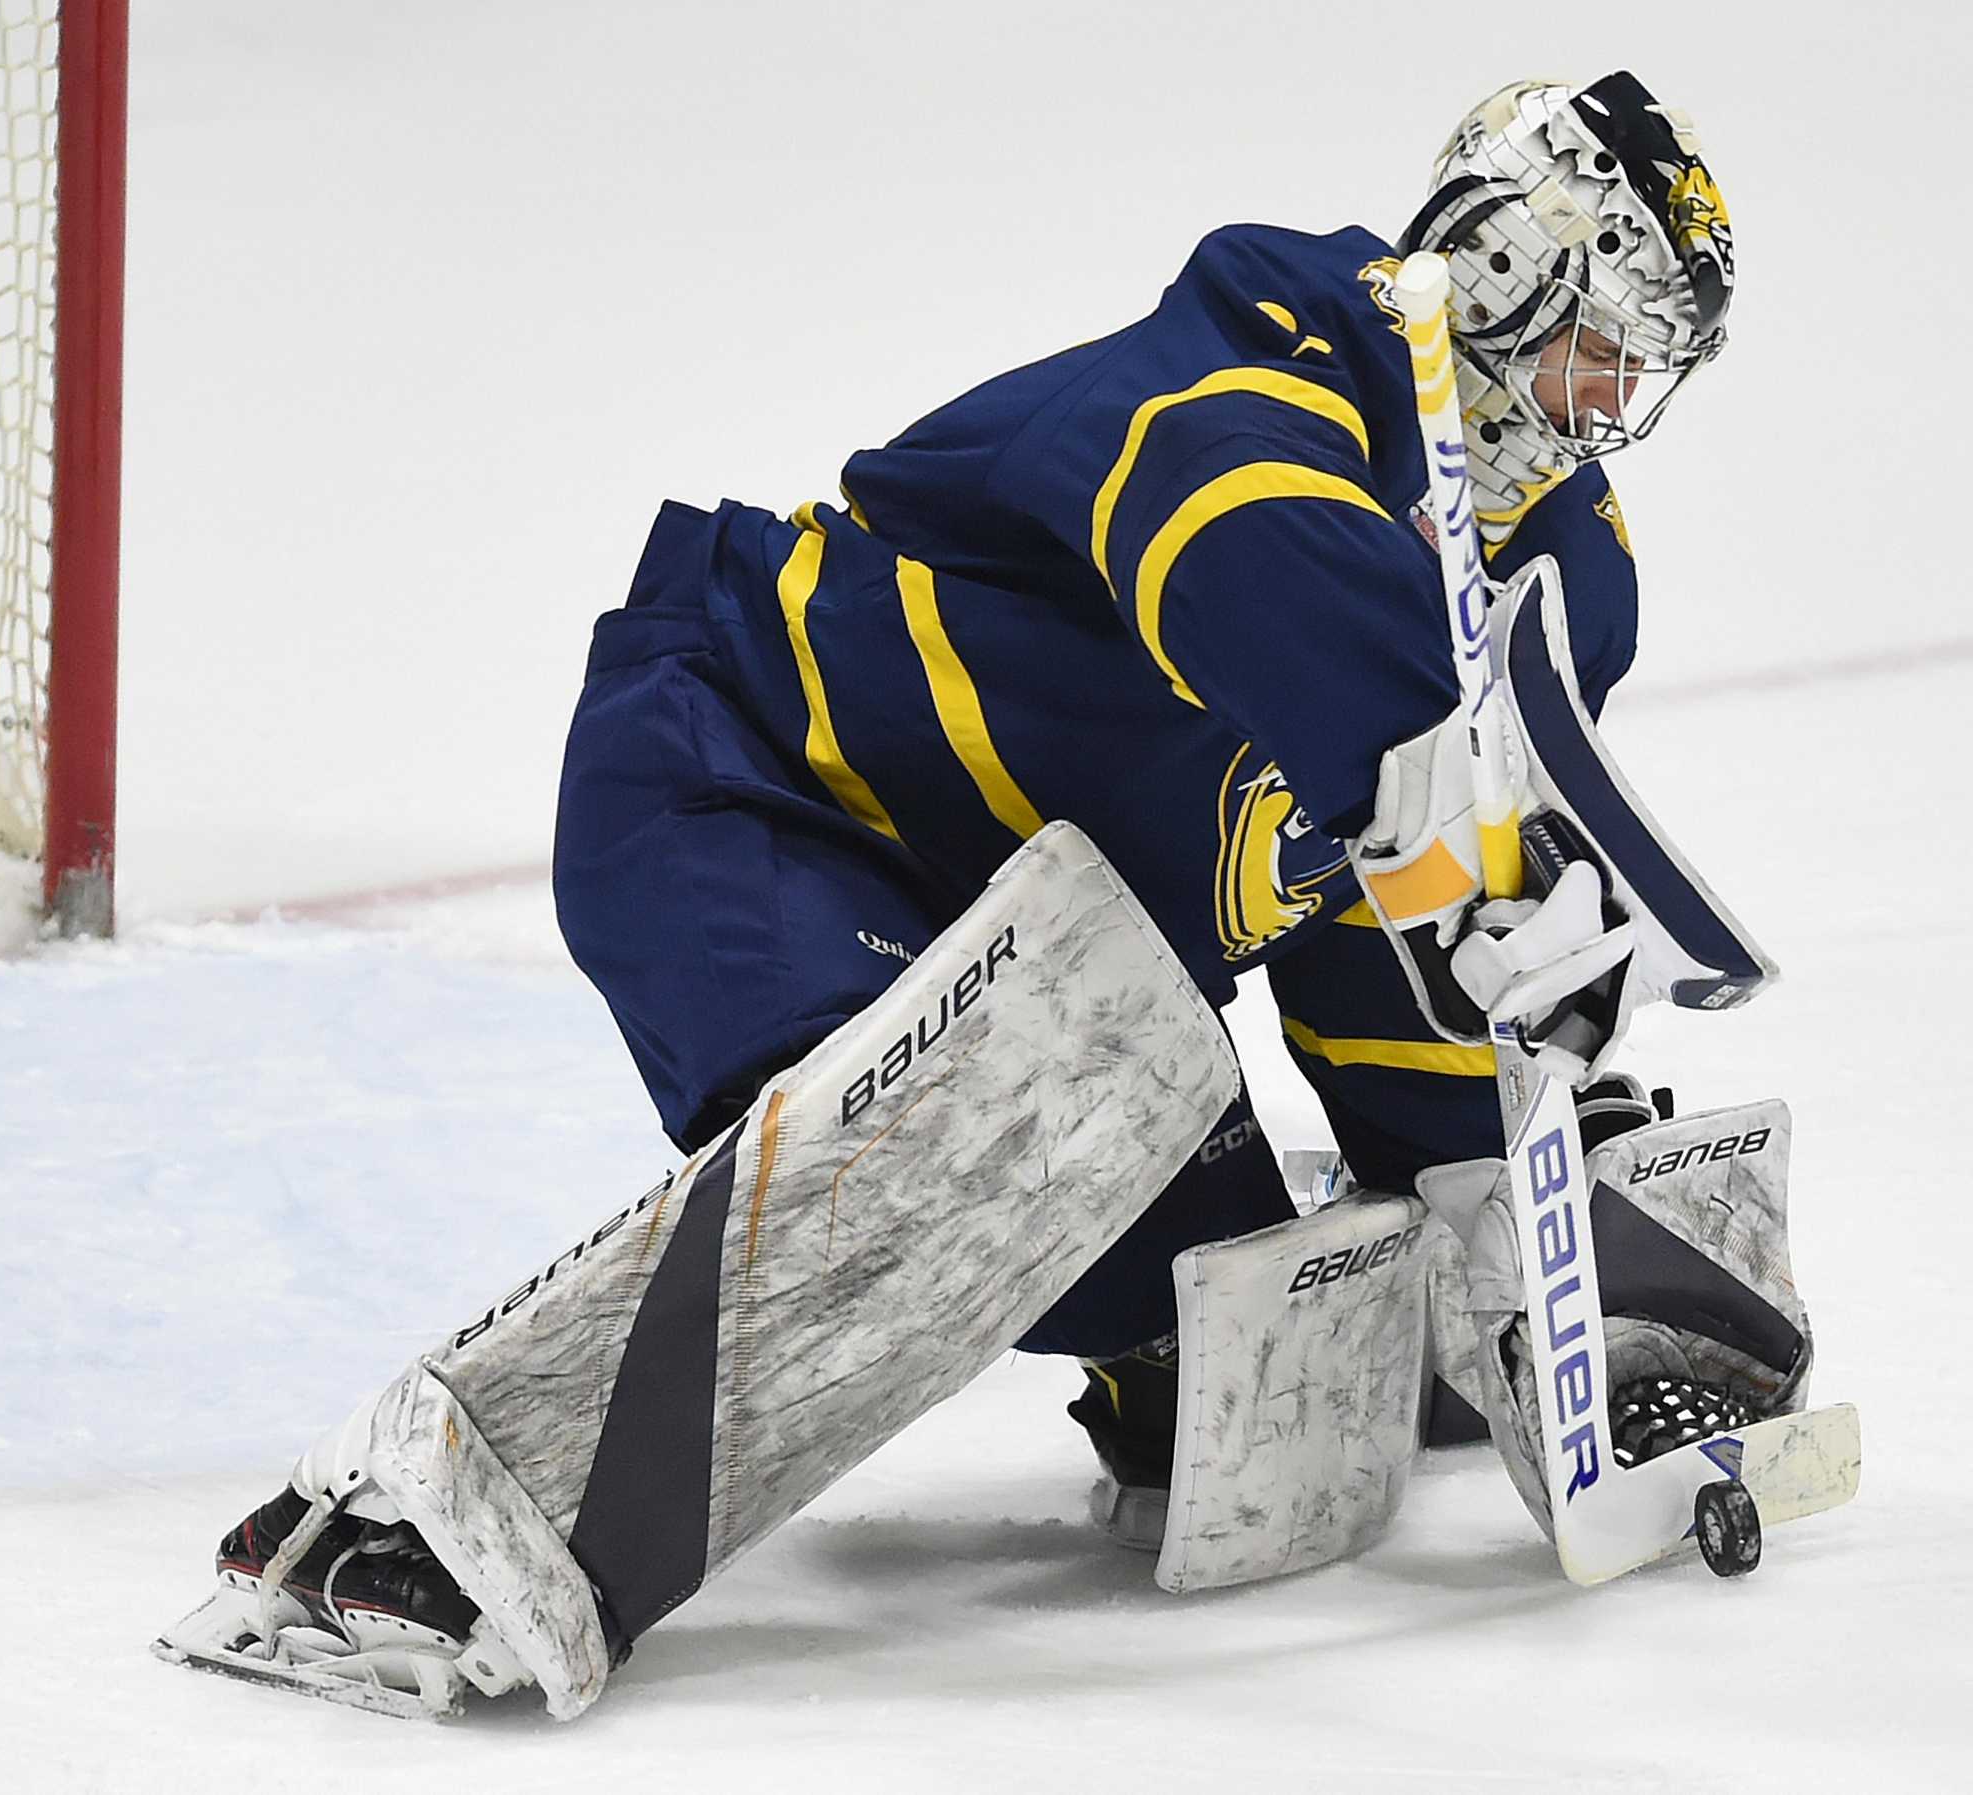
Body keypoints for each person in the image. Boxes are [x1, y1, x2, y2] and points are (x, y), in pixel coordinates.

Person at [174, 72, 1804, 1716]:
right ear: (1504, 264)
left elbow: (1374, 939)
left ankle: (1338, 1318)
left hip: (1068, 955)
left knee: (1239, 1306)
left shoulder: (1563, 575)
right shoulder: (1268, 352)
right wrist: (1452, 819)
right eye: (1606, 337)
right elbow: (1232, 529)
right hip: (749, 788)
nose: (1611, 400)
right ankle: (431, 1513)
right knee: (1011, 1116)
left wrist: (1500, 1202)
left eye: (1648, 373)